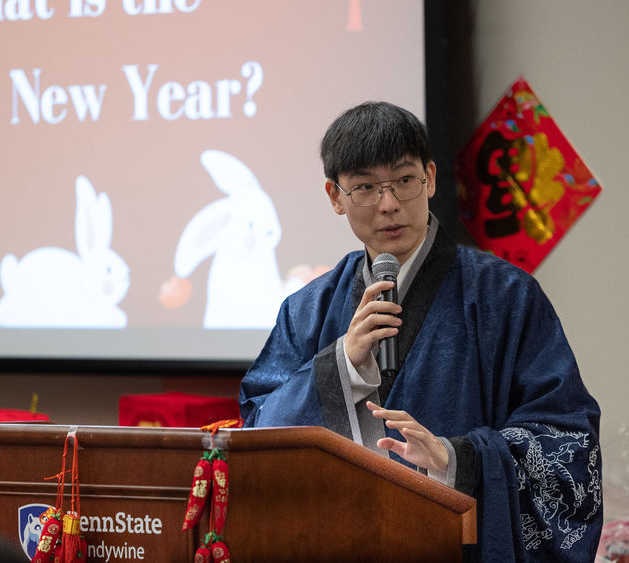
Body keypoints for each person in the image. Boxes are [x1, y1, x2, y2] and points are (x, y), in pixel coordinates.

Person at [238, 101, 602, 561]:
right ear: (335, 196)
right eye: (365, 187)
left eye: (404, 181)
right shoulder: (307, 309)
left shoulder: (506, 297)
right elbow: (256, 436)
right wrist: (341, 367)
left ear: (429, 178)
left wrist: (459, 460)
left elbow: (568, 441)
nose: (388, 205)